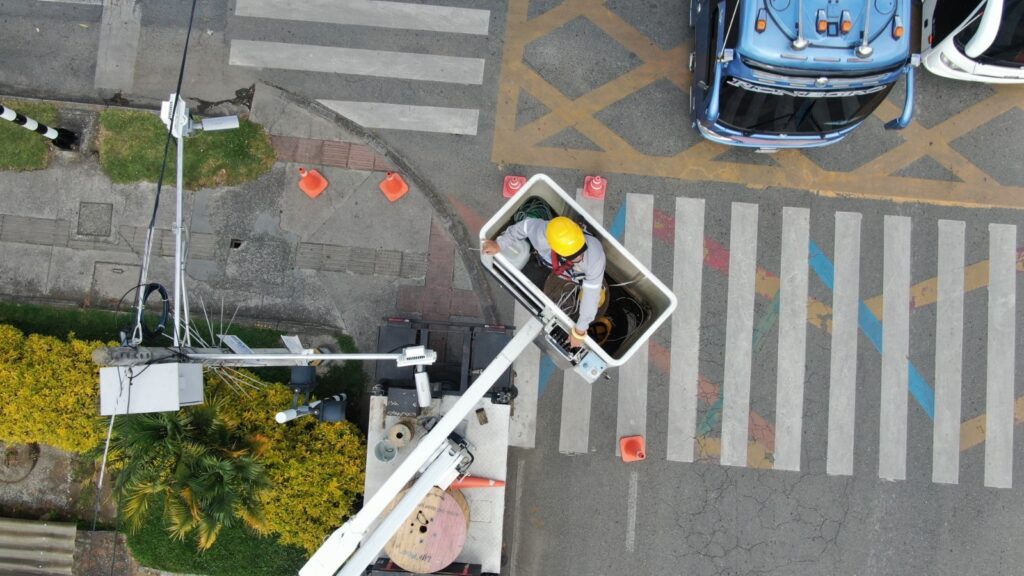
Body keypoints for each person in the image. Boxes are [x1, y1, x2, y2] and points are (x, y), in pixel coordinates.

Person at [482, 216, 607, 348]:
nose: (580, 257)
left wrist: (579, 331)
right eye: (574, 256)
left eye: (582, 249)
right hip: (555, 265)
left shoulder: (594, 258)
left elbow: (591, 296)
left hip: (576, 274)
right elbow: (523, 227)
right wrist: (499, 244)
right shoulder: (541, 232)